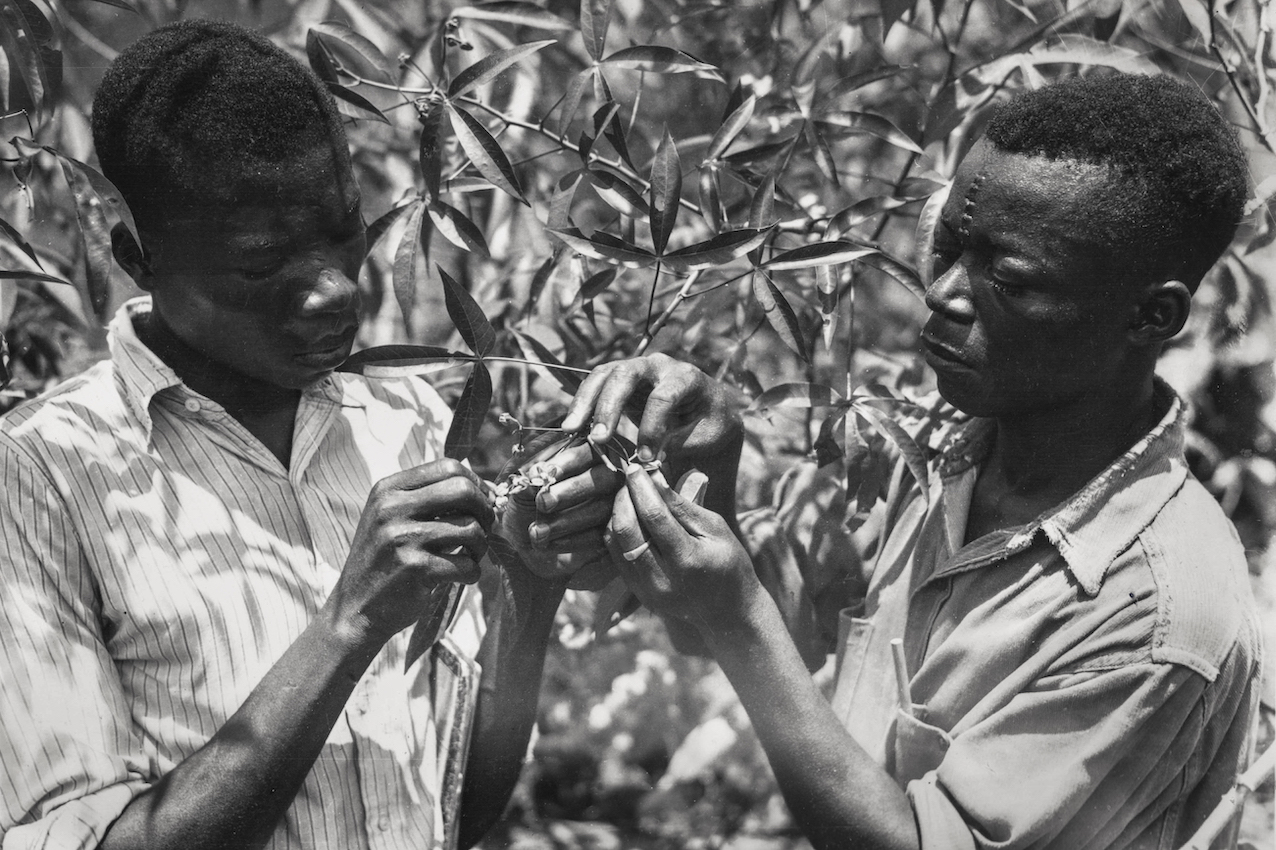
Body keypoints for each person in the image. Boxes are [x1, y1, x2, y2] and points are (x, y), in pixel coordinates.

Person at [547, 73, 1264, 849]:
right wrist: (709, 466)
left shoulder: (1157, 617)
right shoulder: (936, 448)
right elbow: (769, 637)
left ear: (1152, 315)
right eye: (947, 246)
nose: (943, 293)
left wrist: (736, 616)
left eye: (1009, 279)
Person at [0, 20, 592, 850]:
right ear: (137, 257)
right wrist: (347, 625)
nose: (333, 291)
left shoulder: (405, 417)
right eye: (259, 263)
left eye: (344, 229)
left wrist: (531, 582)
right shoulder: (42, 475)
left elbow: (454, 810)